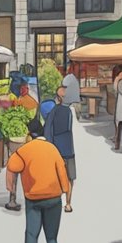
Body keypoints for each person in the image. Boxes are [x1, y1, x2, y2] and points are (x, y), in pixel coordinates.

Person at [6, 118, 71, 243]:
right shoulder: (53, 149)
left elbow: (12, 166)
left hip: (33, 199)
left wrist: (10, 187)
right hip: (53, 199)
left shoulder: (24, 150)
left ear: (30, 134)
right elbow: (63, 177)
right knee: (51, 238)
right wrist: (67, 197)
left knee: (31, 235)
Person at [45, 83, 76, 212]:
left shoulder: (54, 111)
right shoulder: (68, 111)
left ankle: (55, 202)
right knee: (70, 177)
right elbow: (68, 128)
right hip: (68, 148)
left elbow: (47, 130)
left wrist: (50, 146)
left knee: (56, 176)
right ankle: (68, 204)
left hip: (56, 149)